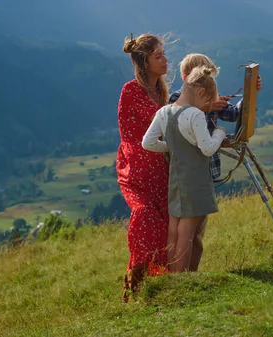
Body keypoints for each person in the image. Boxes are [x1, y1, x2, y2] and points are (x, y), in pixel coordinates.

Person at [168, 53, 262, 271]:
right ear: (186, 79)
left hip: (206, 171)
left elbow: (234, 115)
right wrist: (205, 108)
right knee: (187, 228)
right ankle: (179, 274)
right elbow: (176, 117)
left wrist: (251, 95)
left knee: (198, 230)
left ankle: (190, 273)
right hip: (188, 171)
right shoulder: (176, 99)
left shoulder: (210, 97)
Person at [142, 66, 226, 273]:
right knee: (188, 231)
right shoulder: (195, 115)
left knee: (174, 229)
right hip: (195, 181)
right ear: (200, 92)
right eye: (207, 101)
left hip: (176, 178)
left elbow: (148, 143)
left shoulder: (164, 112)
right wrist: (220, 134)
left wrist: (171, 146)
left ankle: (172, 275)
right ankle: (182, 277)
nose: (206, 106)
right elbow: (207, 149)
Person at [117, 33, 170, 302]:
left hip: (158, 168)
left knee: (166, 225)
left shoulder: (160, 90)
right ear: (144, 62)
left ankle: (159, 285)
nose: (164, 59)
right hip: (136, 170)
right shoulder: (132, 90)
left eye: (163, 54)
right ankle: (135, 285)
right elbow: (162, 119)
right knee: (146, 217)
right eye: (158, 55)